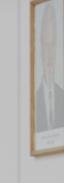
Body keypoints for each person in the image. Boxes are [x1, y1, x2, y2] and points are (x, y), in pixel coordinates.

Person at [36, 1, 64, 132]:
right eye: (46, 45)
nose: (49, 54)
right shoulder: (33, 101)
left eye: (52, 45)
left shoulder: (62, 96)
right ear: (41, 49)